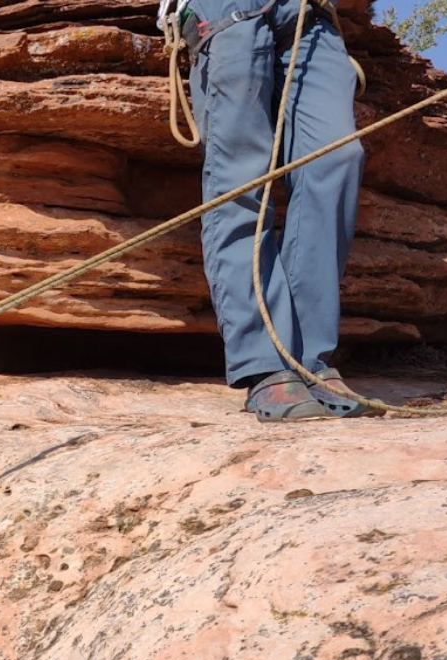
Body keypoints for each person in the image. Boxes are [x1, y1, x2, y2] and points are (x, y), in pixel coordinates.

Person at [161, 0, 377, 421]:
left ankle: (307, 357)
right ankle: (265, 363)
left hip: (309, 15)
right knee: (241, 178)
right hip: (227, 9)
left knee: (336, 159)